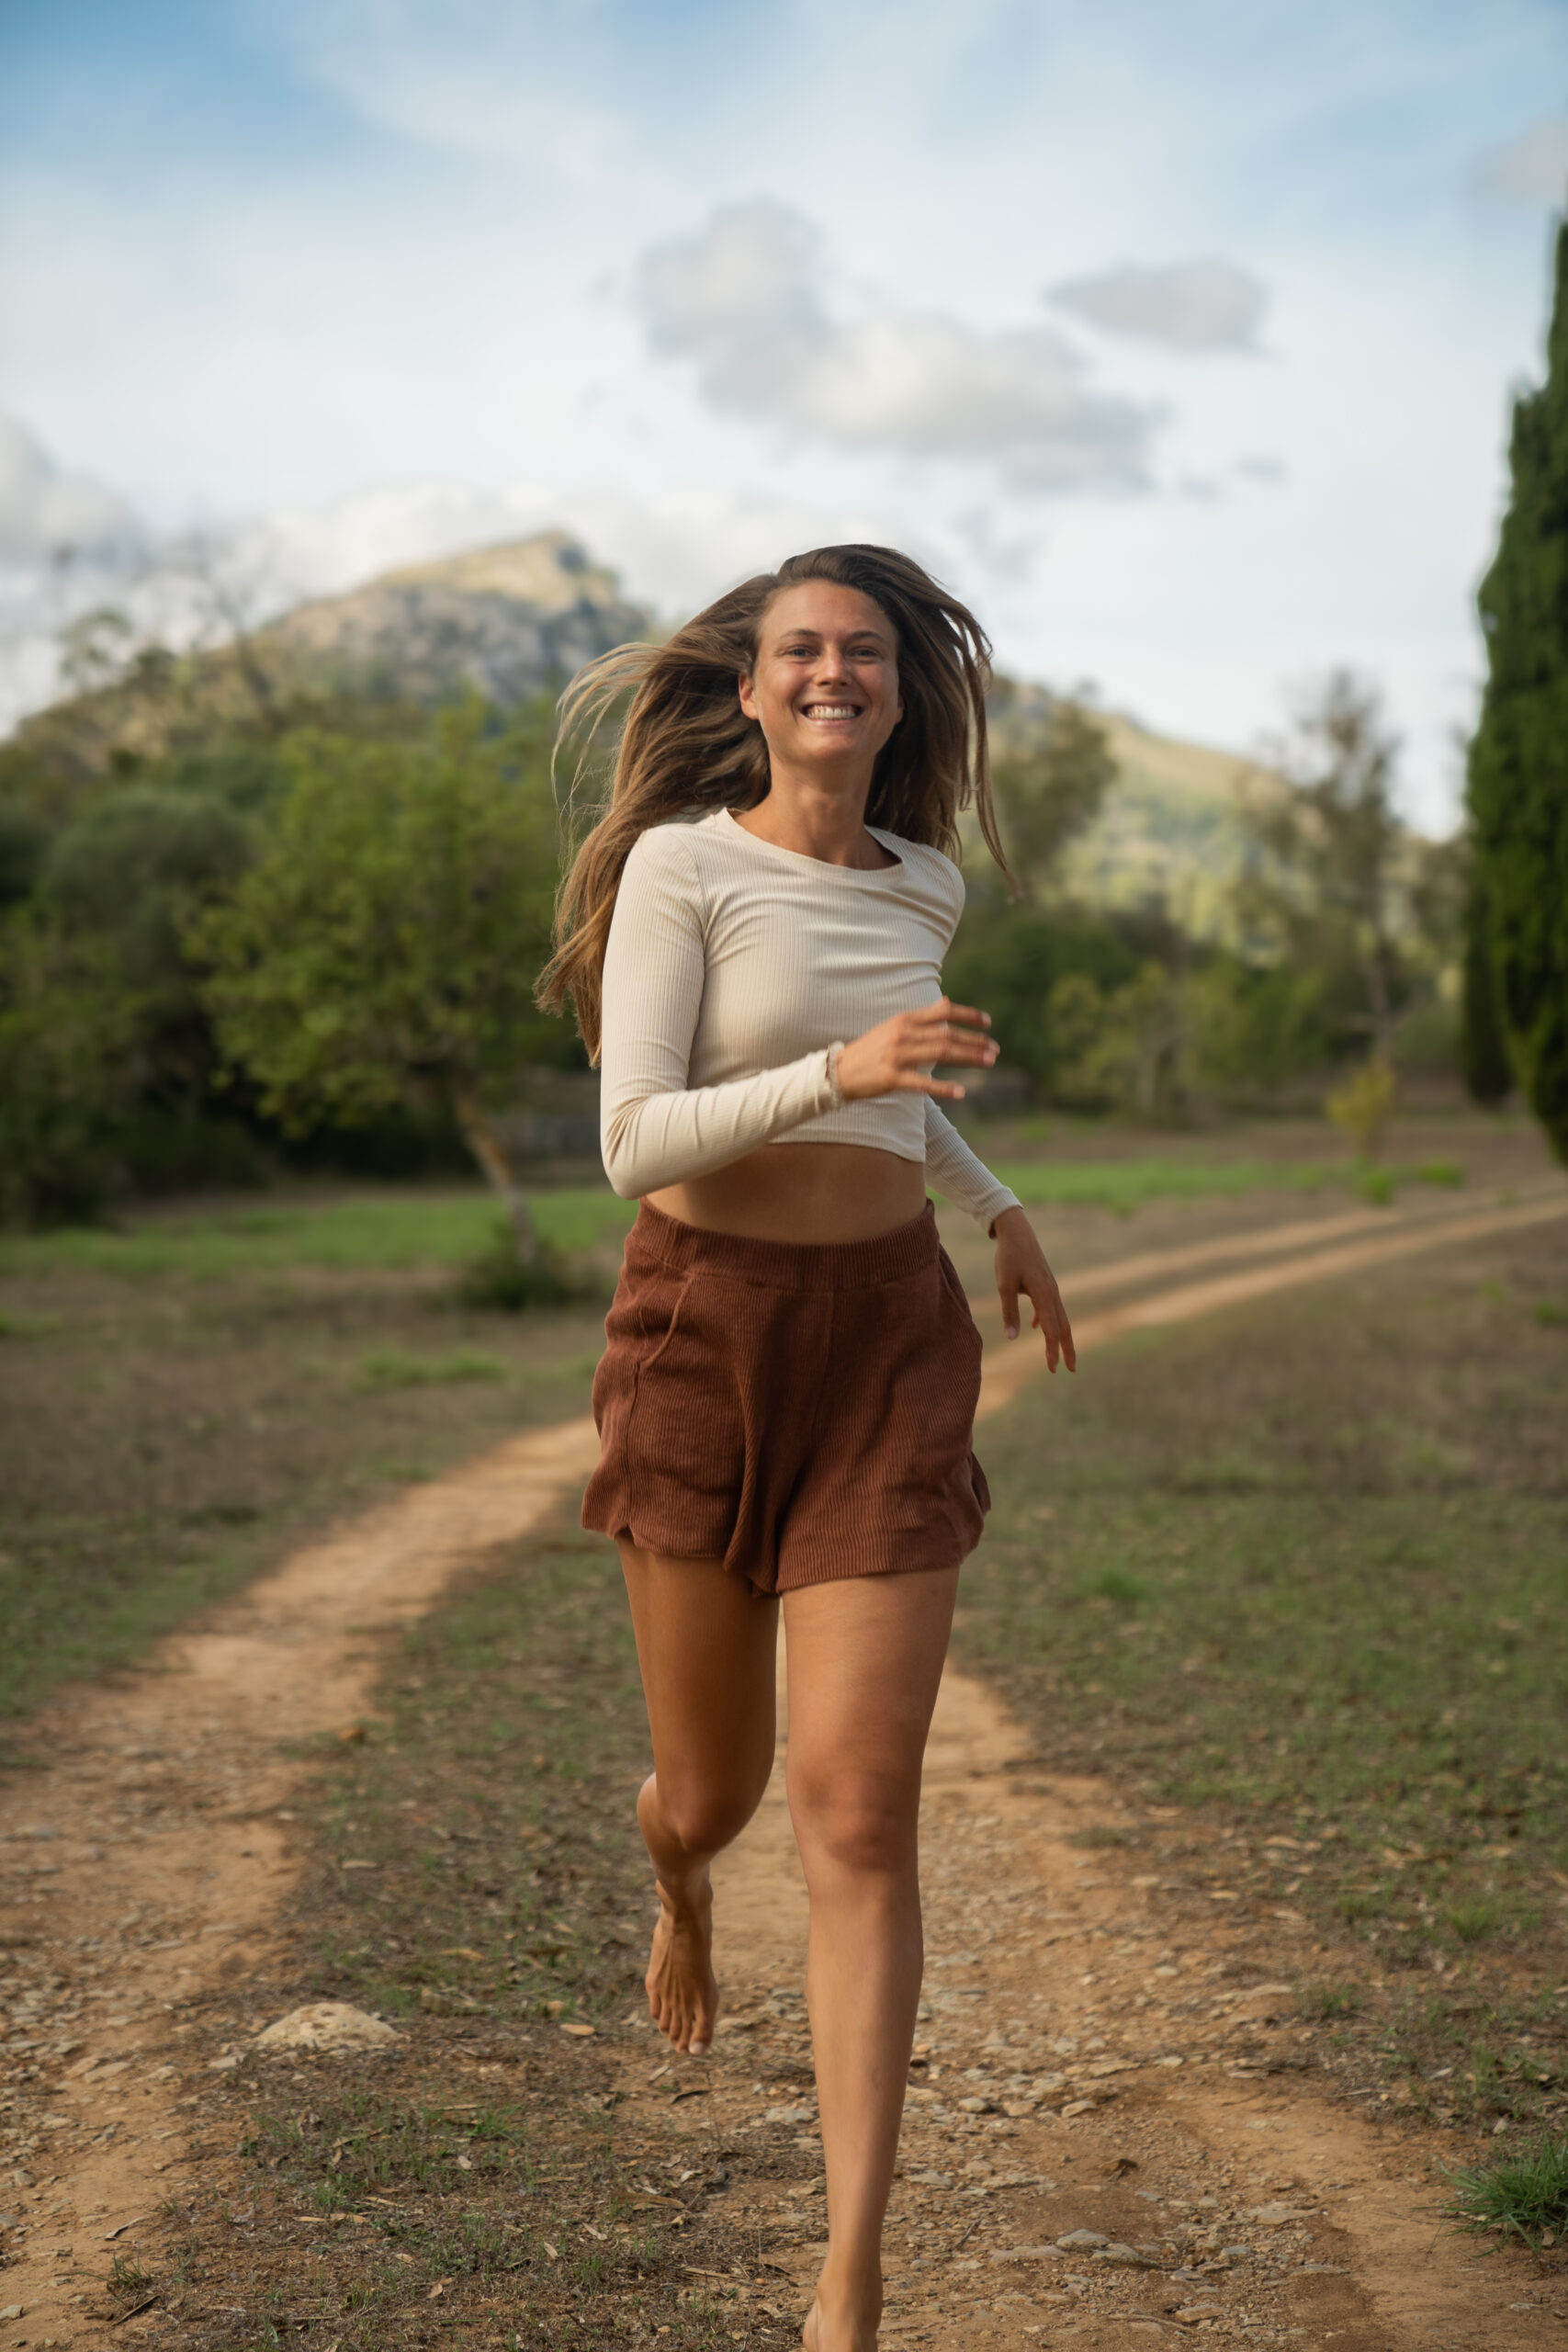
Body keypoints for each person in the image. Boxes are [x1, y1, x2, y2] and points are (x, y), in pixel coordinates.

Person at [538, 544, 1075, 2352]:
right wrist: (838, 1074)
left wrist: (991, 1203)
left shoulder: (919, 877)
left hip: (885, 1348)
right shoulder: (682, 866)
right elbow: (631, 1138)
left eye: (863, 650)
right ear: (751, 689)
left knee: (858, 1812)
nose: (832, 671)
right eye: (798, 650)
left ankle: (847, 2280)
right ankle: (672, 1861)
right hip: (700, 1330)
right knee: (723, 1795)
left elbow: (903, 1087)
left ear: (898, 691)